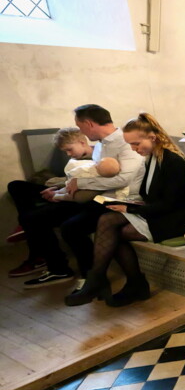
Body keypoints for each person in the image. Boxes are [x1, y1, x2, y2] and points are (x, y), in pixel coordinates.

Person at [65, 113, 185, 307]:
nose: (134, 149)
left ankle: (110, 281)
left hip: (174, 219)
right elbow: (149, 195)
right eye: (131, 145)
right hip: (158, 211)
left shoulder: (173, 162)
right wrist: (131, 204)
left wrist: (130, 208)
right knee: (108, 220)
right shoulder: (152, 158)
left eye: (136, 144)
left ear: (152, 138)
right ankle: (117, 281)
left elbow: (170, 204)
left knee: (112, 230)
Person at [20, 105, 145, 290]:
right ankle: (58, 269)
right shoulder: (100, 145)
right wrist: (63, 187)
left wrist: (81, 184)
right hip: (96, 197)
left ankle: (90, 278)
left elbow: (123, 179)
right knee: (34, 218)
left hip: (117, 199)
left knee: (71, 228)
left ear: (89, 124)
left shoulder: (125, 142)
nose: (81, 131)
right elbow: (92, 175)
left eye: (80, 126)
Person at [7, 128, 93, 278]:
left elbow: (87, 188)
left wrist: (58, 195)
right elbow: (72, 180)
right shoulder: (77, 159)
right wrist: (56, 187)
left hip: (77, 200)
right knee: (16, 186)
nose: (68, 154)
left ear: (82, 142)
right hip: (66, 191)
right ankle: (29, 233)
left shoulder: (99, 157)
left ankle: (56, 267)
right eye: (65, 151)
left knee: (30, 219)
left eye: (69, 150)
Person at [52, 157, 124, 202]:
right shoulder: (100, 170)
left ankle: (56, 195)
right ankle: (56, 194)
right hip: (74, 180)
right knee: (66, 189)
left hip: (75, 180)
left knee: (71, 193)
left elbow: (76, 172)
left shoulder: (91, 171)